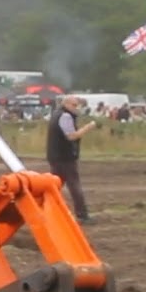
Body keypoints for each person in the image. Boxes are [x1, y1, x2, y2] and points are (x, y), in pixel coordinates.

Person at [46, 95, 97, 224]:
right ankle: (82, 215)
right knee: (74, 185)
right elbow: (71, 136)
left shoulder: (56, 114)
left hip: (56, 155)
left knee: (53, 186)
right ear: (66, 104)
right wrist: (88, 128)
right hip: (65, 157)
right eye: (74, 105)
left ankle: (45, 210)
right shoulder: (65, 116)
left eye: (77, 105)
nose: (76, 108)